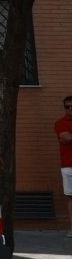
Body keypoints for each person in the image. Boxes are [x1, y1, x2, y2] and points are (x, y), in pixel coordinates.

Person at [58, 95, 72, 233]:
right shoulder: (61, 122)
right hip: (68, 166)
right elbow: (66, 137)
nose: (70, 109)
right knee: (71, 197)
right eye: (67, 107)